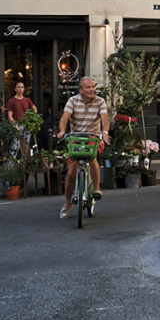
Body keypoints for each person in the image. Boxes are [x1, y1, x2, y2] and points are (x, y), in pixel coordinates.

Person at [56, 77, 109, 219]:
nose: (92, 90)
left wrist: (105, 133)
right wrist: (62, 131)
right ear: (80, 90)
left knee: (92, 160)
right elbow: (64, 119)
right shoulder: (73, 101)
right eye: (88, 87)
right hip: (76, 138)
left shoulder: (100, 101)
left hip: (93, 137)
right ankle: (67, 204)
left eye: (93, 87)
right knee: (71, 171)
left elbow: (105, 120)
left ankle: (96, 188)